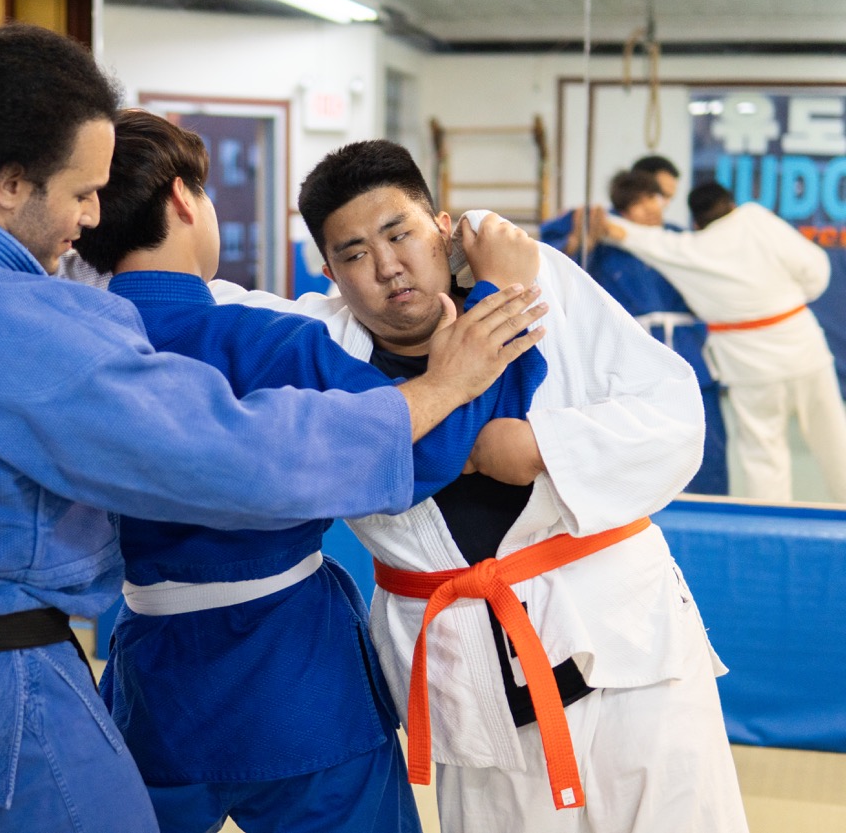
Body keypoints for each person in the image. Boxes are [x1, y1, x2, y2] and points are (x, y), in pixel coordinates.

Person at [0, 25, 545, 833]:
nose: (91, 214)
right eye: (78, 192)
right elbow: (234, 454)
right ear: (8, 182)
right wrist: (448, 380)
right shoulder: (49, 327)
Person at [216, 140, 747, 833]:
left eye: (399, 233)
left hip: (628, 659)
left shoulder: (534, 285)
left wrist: (544, 448)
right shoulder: (319, 348)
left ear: (441, 225)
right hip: (476, 701)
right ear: (328, 272)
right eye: (353, 254)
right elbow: (195, 304)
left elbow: (675, 416)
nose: (386, 267)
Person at [70, 110, 547, 833]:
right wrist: (493, 300)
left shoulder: (69, 349)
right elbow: (429, 447)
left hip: (151, 675)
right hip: (297, 677)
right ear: (182, 200)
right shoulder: (269, 344)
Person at [604, 181, 846, 503]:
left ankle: (769, 529)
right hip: (802, 348)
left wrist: (601, 220)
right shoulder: (756, 219)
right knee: (835, 442)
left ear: (696, 222)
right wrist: (791, 297)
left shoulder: (687, 249)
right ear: (731, 205)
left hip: (749, 367)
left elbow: (640, 239)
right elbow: (815, 268)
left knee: (763, 455)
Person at [539, 156, 728, 494]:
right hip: (630, 351)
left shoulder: (674, 238)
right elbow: (553, 264)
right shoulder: (598, 230)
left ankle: (710, 503)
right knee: (631, 437)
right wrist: (582, 238)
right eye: (644, 202)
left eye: (659, 199)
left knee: (703, 438)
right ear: (624, 206)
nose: (655, 208)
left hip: (686, 348)